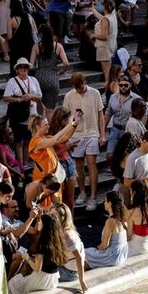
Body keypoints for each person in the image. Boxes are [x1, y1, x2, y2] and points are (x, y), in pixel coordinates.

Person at [63, 72, 106, 210]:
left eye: (80, 87)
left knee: (92, 163)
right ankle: (82, 192)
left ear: (85, 81)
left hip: (92, 133)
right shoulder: (69, 96)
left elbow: (101, 115)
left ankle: (93, 196)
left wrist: (102, 135)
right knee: (79, 164)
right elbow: (65, 118)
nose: (79, 90)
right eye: (77, 88)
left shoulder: (95, 93)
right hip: (76, 135)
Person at [8, 213, 68, 294]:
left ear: (44, 225)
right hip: (53, 279)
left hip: (42, 280)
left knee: (13, 283)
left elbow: (37, 269)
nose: (38, 223)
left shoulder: (42, 244)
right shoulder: (58, 241)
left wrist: (27, 258)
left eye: (40, 221)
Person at [30, 24, 69, 121]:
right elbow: (66, 63)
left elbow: (31, 65)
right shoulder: (58, 46)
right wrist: (63, 71)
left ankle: (40, 131)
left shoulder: (36, 46)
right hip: (53, 78)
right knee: (50, 111)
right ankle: (50, 132)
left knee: (39, 110)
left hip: (39, 78)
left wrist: (37, 69)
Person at [28, 112, 79, 183]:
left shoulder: (46, 137)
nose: (48, 126)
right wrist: (69, 124)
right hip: (44, 179)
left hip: (53, 177)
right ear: (37, 127)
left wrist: (74, 125)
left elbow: (66, 137)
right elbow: (55, 140)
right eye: (46, 125)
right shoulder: (36, 141)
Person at [84, 192, 128, 268]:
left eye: (105, 201)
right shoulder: (123, 218)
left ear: (110, 203)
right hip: (121, 255)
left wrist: (95, 248)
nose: (104, 203)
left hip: (112, 257)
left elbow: (104, 246)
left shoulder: (110, 221)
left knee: (83, 252)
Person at [50, 203, 87, 292]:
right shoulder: (62, 230)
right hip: (66, 267)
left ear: (62, 218)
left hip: (69, 272)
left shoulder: (67, 235)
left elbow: (79, 257)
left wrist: (82, 281)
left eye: (53, 215)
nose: (50, 218)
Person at [126, 180, 148, 256]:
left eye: (130, 190)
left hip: (137, 249)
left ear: (134, 193)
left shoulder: (132, 212)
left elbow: (129, 236)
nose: (130, 192)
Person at [89, 0, 118, 83]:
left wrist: (93, 35)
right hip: (111, 45)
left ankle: (108, 90)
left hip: (104, 47)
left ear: (103, 6)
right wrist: (93, 10)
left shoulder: (106, 19)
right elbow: (102, 19)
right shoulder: (112, 16)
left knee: (107, 72)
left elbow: (103, 36)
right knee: (108, 70)